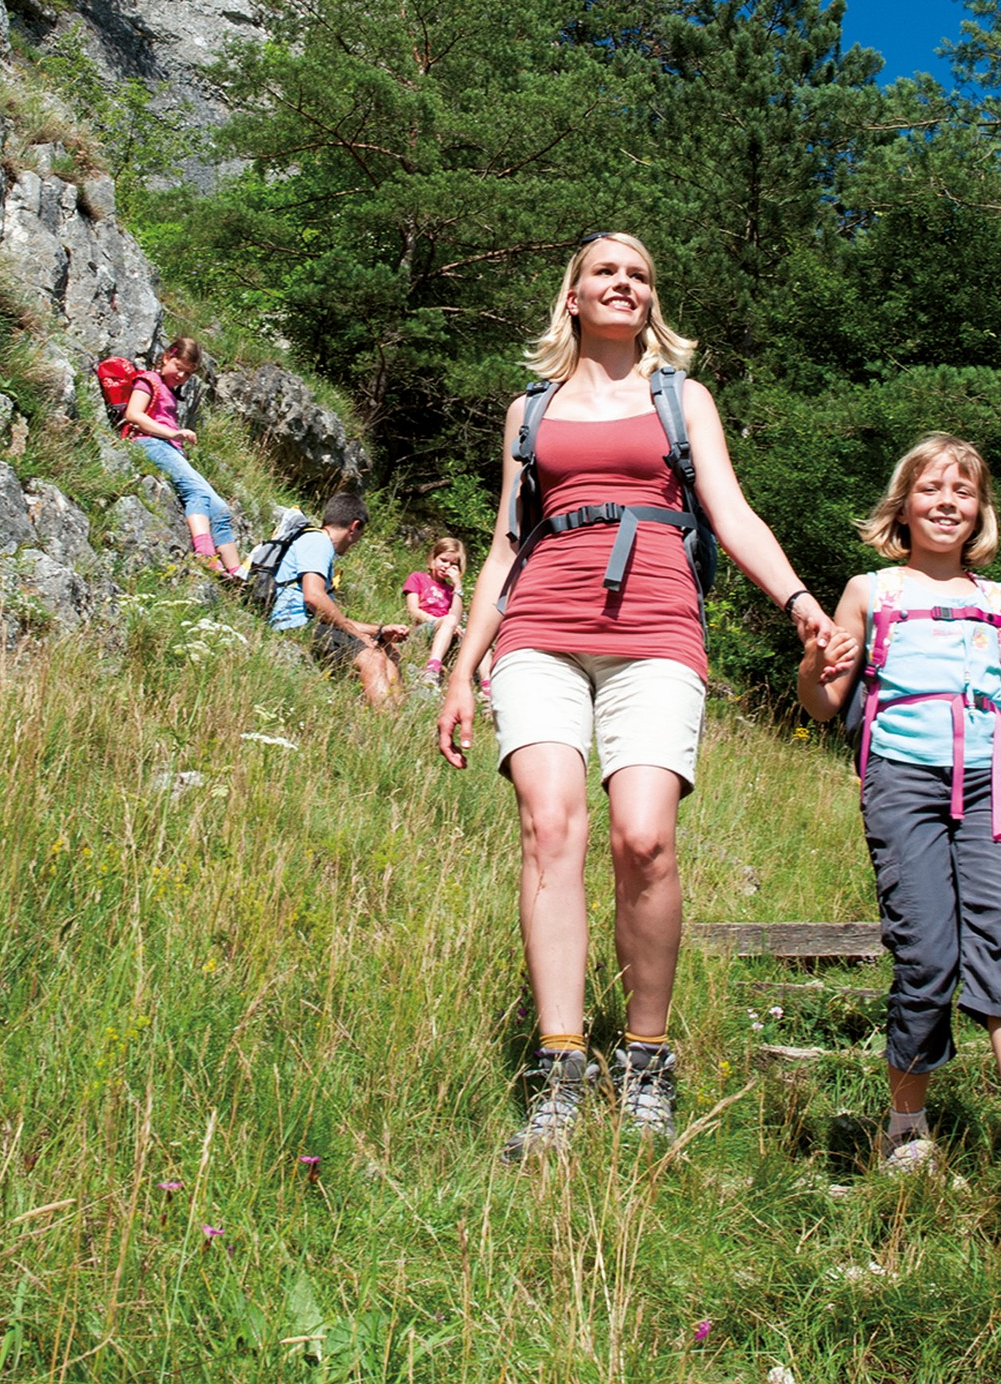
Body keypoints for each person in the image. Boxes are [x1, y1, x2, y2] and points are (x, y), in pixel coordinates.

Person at [436, 232, 836, 1162]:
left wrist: (801, 603)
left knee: (644, 839)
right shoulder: (527, 412)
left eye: (639, 274)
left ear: (652, 300)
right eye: (604, 272)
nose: (623, 283)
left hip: (657, 628)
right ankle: (560, 1070)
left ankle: (646, 1061)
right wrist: (462, 670)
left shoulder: (681, 399)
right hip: (540, 629)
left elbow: (730, 511)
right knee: (550, 826)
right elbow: (503, 546)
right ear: (572, 297)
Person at [796, 433, 1001, 1193]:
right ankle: (906, 1128)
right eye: (931, 489)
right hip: (901, 782)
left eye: (963, 491)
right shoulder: (872, 590)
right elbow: (823, 705)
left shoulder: (998, 601)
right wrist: (814, 663)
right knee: (926, 954)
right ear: (904, 504)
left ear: (980, 510)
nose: (947, 502)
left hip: (992, 786)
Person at [119, 336, 245, 581]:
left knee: (220, 508)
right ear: (167, 357)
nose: (181, 377)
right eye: (178, 368)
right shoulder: (149, 380)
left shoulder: (167, 389)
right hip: (150, 442)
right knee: (196, 492)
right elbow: (133, 414)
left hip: (169, 448)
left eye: (187, 374)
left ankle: (237, 572)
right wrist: (172, 433)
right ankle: (205, 555)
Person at [269, 492, 410, 710]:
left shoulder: (315, 543)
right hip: (295, 624)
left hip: (306, 622)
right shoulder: (319, 542)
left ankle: (399, 717)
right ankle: (387, 723)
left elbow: (331, 617)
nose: (355, 543)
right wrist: (357, 635)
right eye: (359, 535)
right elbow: (314, 597)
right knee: (372, 658)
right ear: (354, 526)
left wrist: (380, 630)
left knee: (387, 645)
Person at [403, 536, 468, 689]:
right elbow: (413, 611)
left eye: (453, 564)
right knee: (449, 620)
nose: (447, 566)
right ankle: (432, 669)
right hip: (424, 629)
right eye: (443, 560)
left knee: (475, 634)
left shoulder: (451, 591)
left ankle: (486, 685)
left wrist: (457, 585)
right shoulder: (417, 578)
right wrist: (439, 622)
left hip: (448, 629)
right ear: (433, 559)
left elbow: (456, 617)